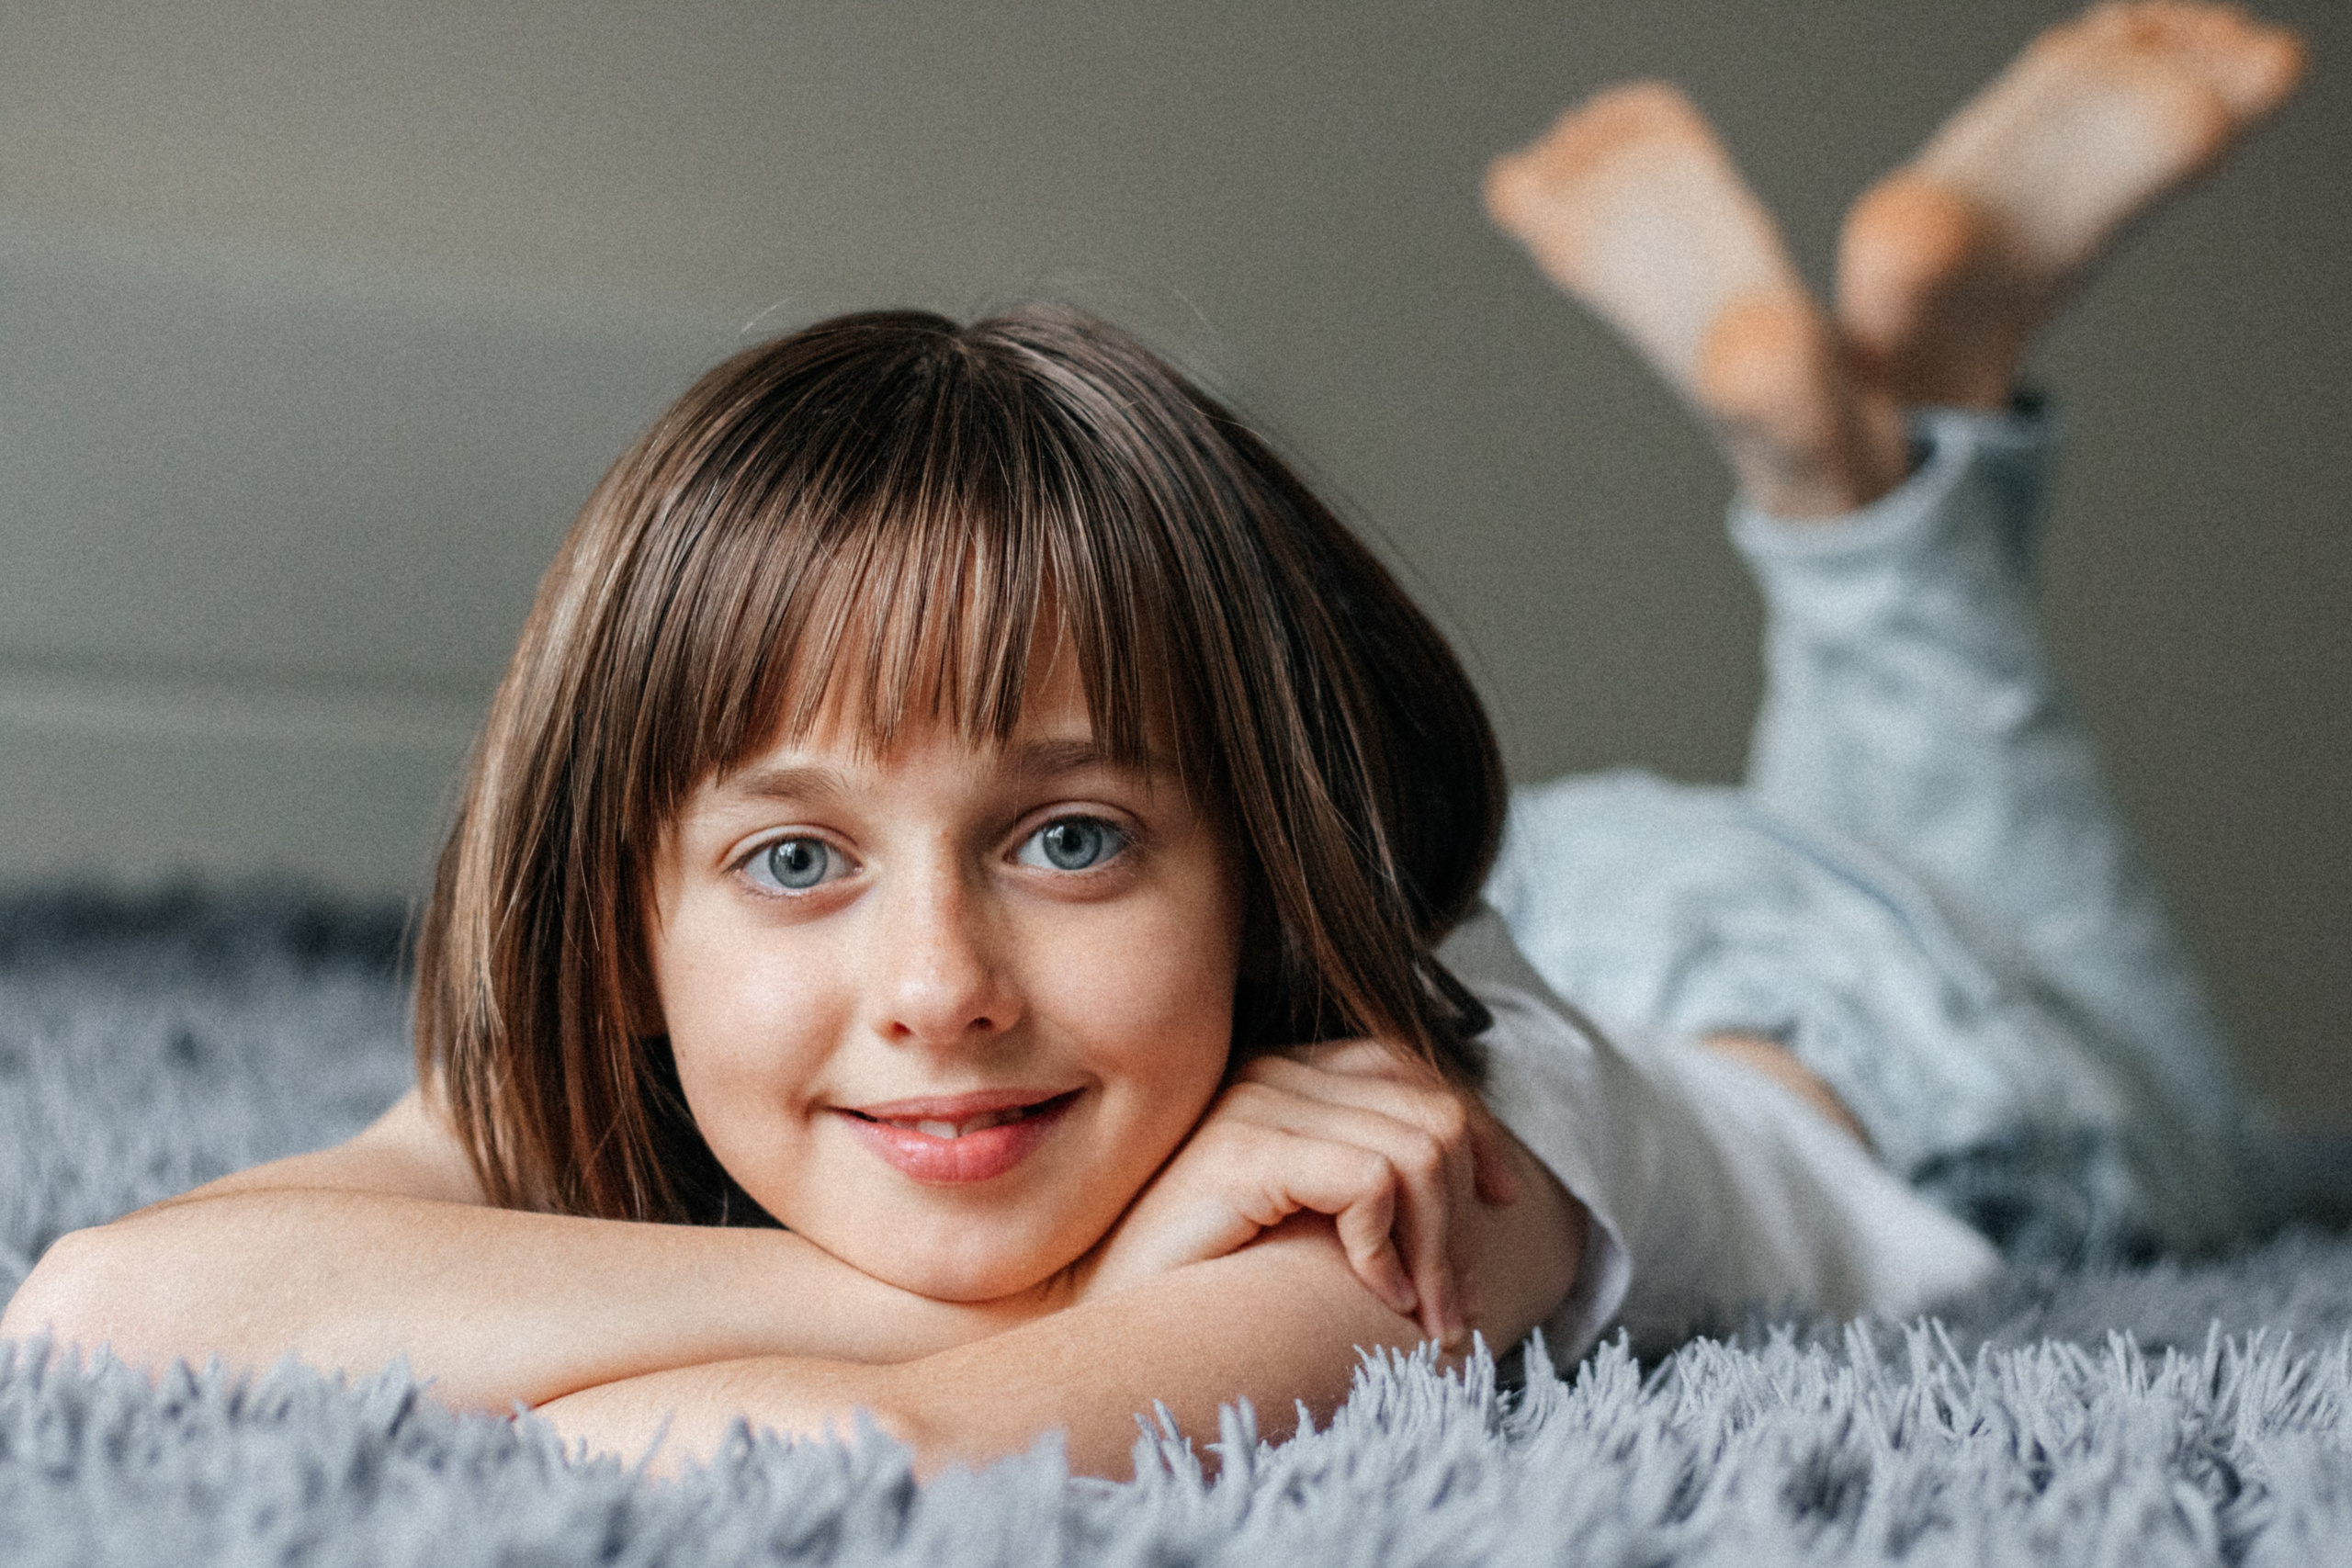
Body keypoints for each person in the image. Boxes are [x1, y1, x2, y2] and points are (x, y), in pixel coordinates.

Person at [0, 1, 2304, 1481]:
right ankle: (1897, 420)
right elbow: (103, 1308)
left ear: (1262, 854)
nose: (933, 985)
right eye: (796, 860)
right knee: (1911, 734)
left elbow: (887, 1457)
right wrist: (973, 1279)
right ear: (623, 920)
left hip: (1910, 1055)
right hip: (1595, 906)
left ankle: (1862, 480)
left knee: (2142, 1069)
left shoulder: (1407, 1179)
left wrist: (959, 1343)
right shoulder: (658, 1024)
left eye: (1070, 835)